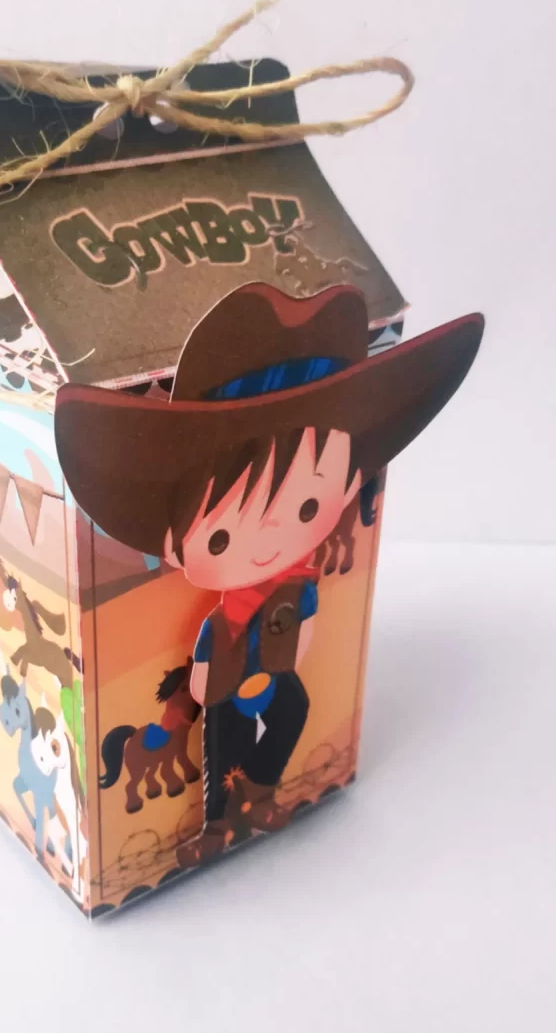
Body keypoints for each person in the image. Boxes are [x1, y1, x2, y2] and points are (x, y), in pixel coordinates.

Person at [54, 283, 484, 865]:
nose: (270, 549)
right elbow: (202, 678)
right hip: (229, 685)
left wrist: (289, 645)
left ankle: (259, 794)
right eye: (222, 538)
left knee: (292, 713)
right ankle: (217, 822)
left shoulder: (298, 590)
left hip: (273, 677)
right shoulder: (221, 625)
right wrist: (203, 685)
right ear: (171, 540)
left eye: (309, 508)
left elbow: (302, 634)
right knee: (222, 738)